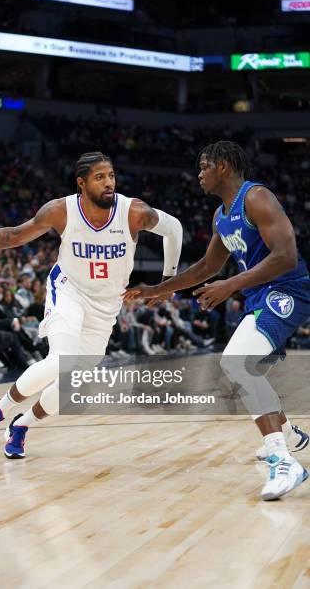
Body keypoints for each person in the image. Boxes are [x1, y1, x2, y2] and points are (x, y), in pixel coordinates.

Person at [123, 140, 310, 501]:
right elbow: (208, 267)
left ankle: (283, 460)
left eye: (204, 166)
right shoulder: (221, 215)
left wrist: (231, 285)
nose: (199, 174)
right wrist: (157, 289)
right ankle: (288, 433)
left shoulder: (256, 198)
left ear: (223, 166)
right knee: (244, 370)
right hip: (259, 295)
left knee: (237, 363)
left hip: (289, 291)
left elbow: (286, 256)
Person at [0, 152, 182, 458]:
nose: (109, 183)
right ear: (81, 183)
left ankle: (22, 425)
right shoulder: (60, 211)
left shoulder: (134, 212)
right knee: (59, 360)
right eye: (100, 177)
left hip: (107, 305)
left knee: (73, 383)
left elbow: (175, 229)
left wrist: (168, 280)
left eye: (112, 176)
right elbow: (13, 236)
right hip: (69, 291)